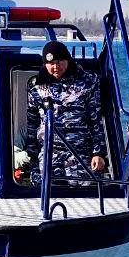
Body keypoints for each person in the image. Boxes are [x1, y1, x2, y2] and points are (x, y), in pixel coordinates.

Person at [19, 41, 107, 185]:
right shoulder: (36, 86)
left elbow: (96, 119)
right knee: (46, 189)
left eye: (59, 61)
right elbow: (32, 123)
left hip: (80, 152)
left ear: (67, 60)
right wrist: (33, 156)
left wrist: (98, 153)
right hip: (49, 152)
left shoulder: (88, 82)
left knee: (85, 192)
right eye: (51, 63)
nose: (55, 67)